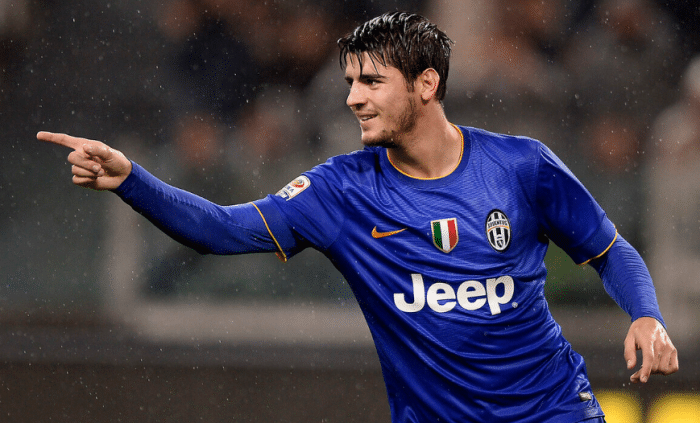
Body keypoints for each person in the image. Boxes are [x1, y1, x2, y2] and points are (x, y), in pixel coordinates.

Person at [38, 12, 677, 423]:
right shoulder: (340, 191)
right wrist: (132, 180)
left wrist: (646, 315)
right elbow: (222, 230)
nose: (352, 98)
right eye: (350, 82)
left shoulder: (522, 166)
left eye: (371, 81)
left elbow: (610, 251)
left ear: (426, 84)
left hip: (554, 412)